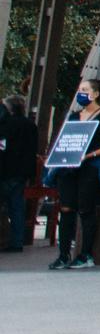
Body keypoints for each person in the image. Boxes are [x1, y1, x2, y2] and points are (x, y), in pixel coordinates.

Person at [49, 78, 100, 269]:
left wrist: (91, 154)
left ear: (96, 94)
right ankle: (63, 254)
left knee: (86, 209)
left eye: (85, 90)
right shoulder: (74, 116)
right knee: (66, 209)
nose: (81, 93)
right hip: (69, 168)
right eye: (80, 89)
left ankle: (85, 253)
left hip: (90, 167)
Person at [0, 93, 38, 252]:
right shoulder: (31, 125)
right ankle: (17, 242)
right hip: (22, 172)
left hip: (5, 170)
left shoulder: (5, 125)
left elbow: (3, 147)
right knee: (17, 207)